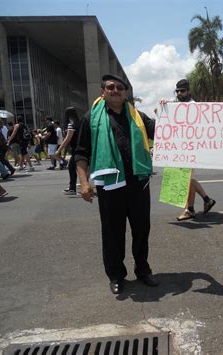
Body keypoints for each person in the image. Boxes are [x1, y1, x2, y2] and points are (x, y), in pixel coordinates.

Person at [75, 74, 158, 295]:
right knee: (113, 233)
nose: (115, 90)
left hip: (138, 184)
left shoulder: (138, 116)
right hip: (110, 188)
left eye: (120, 87)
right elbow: (81, 153)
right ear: (103, 91)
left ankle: (143, 270)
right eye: (110, 87)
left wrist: (171, 113)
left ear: (126, 92)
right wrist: (84, 183)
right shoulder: (91, 118)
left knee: (141, 230)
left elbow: (163, 132)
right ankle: (116, 276)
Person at [163, 79, 216, 221]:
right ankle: (202, 202)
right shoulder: (178, 107)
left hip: (190, 149)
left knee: (186, 179)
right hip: (181, 149)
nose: (179, 93)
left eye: (182, 91)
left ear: (188, 91)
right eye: (177, 91)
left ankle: (194, 206)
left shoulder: (193, 106)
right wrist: (162, 110)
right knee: (188, 179)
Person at [56, 107, 80, 195]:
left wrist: (59, 150)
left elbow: (67, 139)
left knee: (73, 167)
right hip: (81, 147)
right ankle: (73, 187)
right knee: (75, 167)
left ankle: (74, 188)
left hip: (76, 149)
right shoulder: (79, 123)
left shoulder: (71, 124)